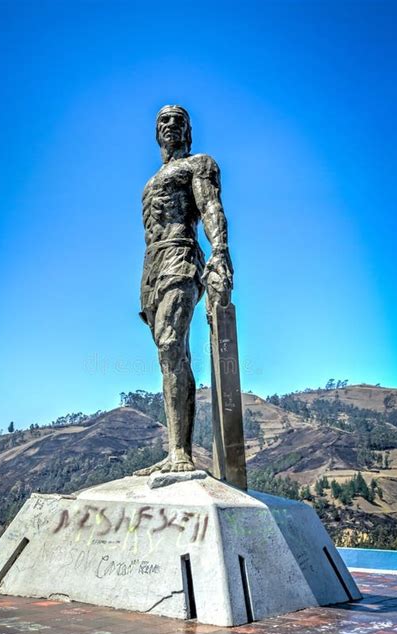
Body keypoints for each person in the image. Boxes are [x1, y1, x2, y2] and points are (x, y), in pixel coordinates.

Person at [135, 105, 233, 474]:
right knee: (168, 357)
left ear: (188, 132)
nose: (171, 125)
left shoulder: (198, 165)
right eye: (164, 121)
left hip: (180, 254)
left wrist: (220, 251)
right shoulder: (150, 181)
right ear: (156, 132)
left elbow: (210, 208)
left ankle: (181, 453)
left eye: (179, 121)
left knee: (171, 346)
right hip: (151, 268)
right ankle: (174, 449)